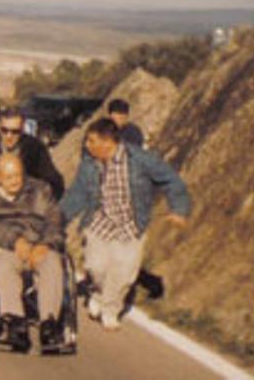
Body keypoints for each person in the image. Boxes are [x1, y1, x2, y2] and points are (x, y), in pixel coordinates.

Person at [60, 118, 191, 331]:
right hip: (99, 222)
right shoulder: (89, 165)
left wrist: (179, 209)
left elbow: (171, 180)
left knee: (124, 272)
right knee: (97, 266)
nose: (87, 145)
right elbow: (76, 195)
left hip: (131, 225)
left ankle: (110, 310)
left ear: (106, 142)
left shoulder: (141, 160)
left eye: (91, 141)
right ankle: (98, 293)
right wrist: (58, 220)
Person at [0, 153, 65, 350]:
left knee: (53, 265)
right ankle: (15, 323)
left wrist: (45, 244)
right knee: (3, 267)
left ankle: (49, 325)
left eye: (18, 175)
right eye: (9, 176)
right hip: (6, 247)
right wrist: (15, 240)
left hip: (39, 244)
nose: (15, 180)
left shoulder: (41, 190)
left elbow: (54, 219)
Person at [0, 107, 64, 200]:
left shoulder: (35, 148)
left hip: (26, 203)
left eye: (15, 131)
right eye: (4, 130)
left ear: (22, 130)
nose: (9, 136)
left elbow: (53, 181)